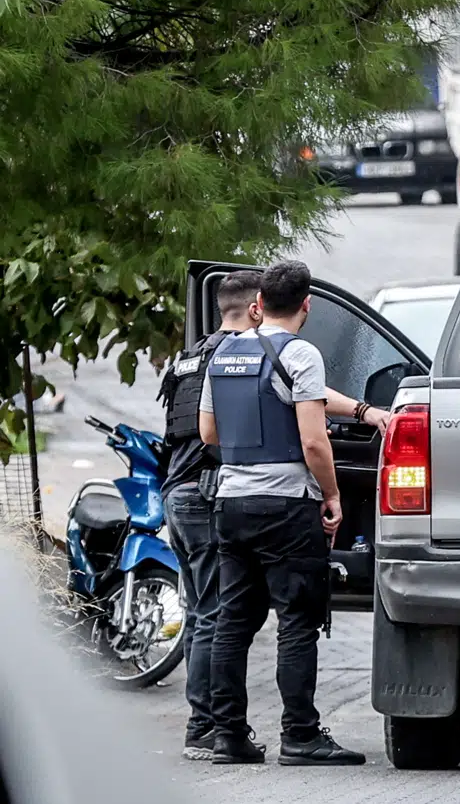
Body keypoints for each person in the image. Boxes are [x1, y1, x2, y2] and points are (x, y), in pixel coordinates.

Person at [200, 260, 371, 765]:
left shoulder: (223, 352)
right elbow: (314, 442)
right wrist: (333, 495)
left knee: (233, 620)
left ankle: (227, 735)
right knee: (297, 620)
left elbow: (209, 433)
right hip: (285, 505)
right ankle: (300, 735)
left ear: (257, 305)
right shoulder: (300, 354)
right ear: (306, 305)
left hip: (230, 503)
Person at [158, 270, 263, 761]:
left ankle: (204, 722)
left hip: (176, 495)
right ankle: (206, 727)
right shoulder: (239, 356)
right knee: (215, 614)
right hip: (204, 496)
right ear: (257, 305)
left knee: (203, 614)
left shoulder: (189, 357)